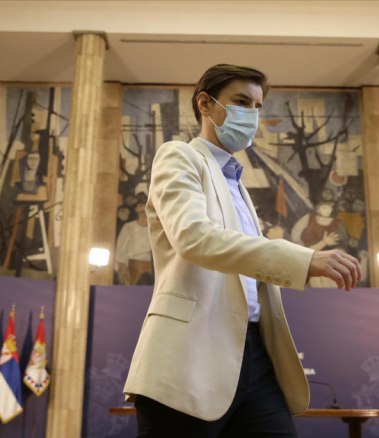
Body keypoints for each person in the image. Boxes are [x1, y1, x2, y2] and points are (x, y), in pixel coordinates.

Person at [123, 64, 362, 438]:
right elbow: (194, 238)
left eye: (257, 106)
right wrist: (304, 259)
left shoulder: (238, 184)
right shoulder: (179, 156)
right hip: (190, 354)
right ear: (205, 104)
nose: (251, 114)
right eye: (240, 101)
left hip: (255, 355)